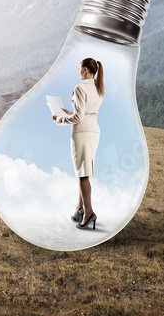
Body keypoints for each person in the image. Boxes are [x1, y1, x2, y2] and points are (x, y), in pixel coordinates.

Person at [52, 57, 104, 230]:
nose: (79, 72)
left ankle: (89, 213)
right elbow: (85, 112)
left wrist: (60, 118)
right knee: (84, 170)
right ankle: (79, 209)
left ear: (86, 70)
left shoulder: (79, 88)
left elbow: (78, 117)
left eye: (80, 69)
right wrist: (69, 112)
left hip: (81, 131)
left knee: (82, 174)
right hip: (93, 131)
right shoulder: (98, 88)